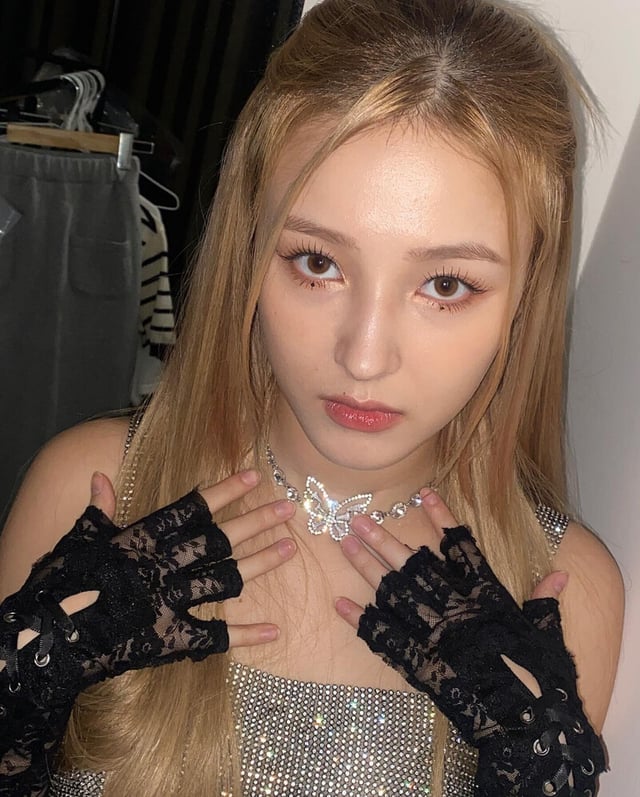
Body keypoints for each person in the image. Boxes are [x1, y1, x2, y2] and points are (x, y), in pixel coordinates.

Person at [0, 0, 624, 795]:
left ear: (525, 296)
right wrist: (22, 696)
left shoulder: (557, 591)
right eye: (318, 263)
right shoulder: (91, 492)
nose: (364, 356)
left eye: (445, 283)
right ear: (249, 250)